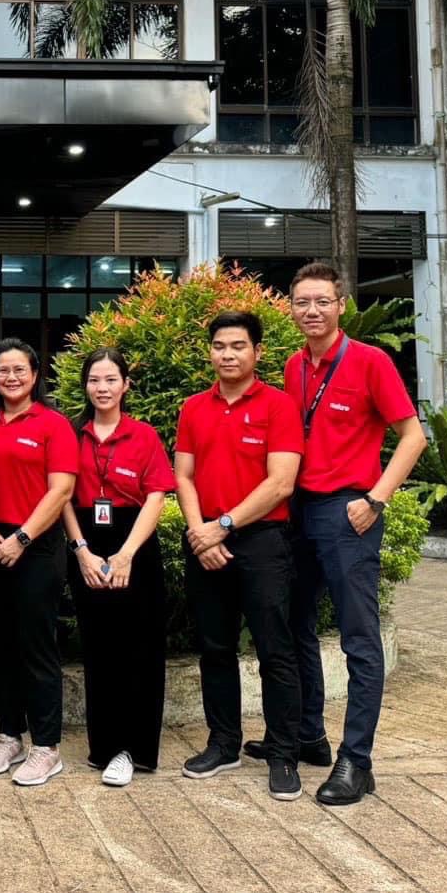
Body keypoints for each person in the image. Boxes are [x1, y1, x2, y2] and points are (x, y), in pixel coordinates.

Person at [248, 262, 426, 806]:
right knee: (294, 624)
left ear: (340, 304)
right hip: (298, 510)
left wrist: (375, 499)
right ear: (291, 308)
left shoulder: (371, 362)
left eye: (322, 301)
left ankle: (357, 761)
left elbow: (413, 436)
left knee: (359, 641)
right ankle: (310, 737)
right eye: (302, 302)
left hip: (348, 514)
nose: (312, 311)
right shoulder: (294, 366)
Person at [174, 311, 305, 803]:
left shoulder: (278, 406)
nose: (227, 354)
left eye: (238, 346)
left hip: (262, 542)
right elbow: (182, 475)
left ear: (257, 352)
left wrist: (222, 525)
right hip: (205, 542)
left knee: (275, 651)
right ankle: (223, 743)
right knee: (215, 649)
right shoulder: (193, 408)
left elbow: (281, 483)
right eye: (219, 346)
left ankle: (284, 753)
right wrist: (199, 533)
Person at [59, 347, 176, 787]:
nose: (102, 388)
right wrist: (81, 551)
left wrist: (126, 554)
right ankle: (103, 746)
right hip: (88, 545)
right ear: (85, 386)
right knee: (99, 649)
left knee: (139, 651)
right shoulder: (74, 435)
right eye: (94, 380)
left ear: (125, 385)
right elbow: (64, 498)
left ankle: (133, 750)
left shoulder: (144, 436)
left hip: (135, 546)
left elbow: (156, 497)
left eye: (111, 380)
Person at [0, 339, 77, 786]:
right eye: (2, 371)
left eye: (19, 370)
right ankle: (9, 735)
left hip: (37, 548)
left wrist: (22, 537)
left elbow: (61, 491)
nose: (10, 378)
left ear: (35, 375)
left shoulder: (54, 424)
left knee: (36, 646)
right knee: (1, 647)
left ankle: (46, 746)